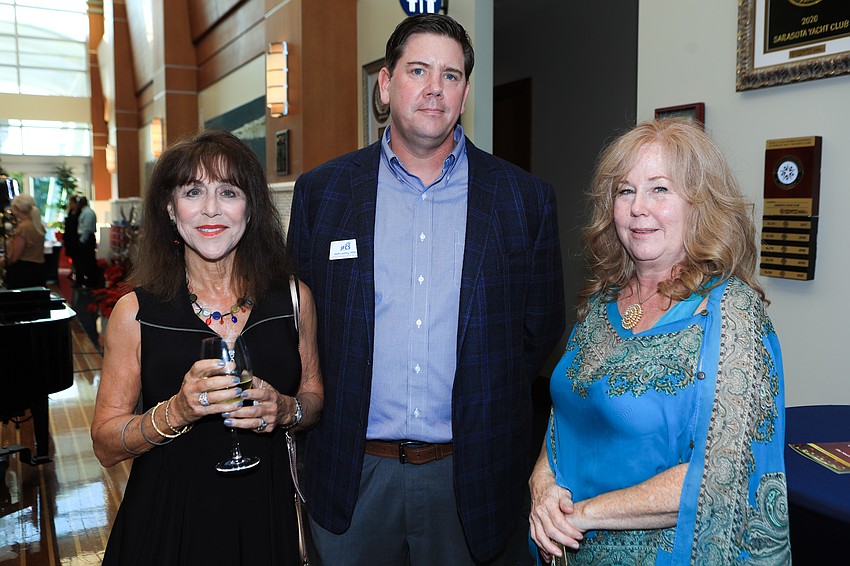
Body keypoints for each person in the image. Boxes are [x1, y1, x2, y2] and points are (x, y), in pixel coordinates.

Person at [289, 13, 566, 565]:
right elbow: (301, 322)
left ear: (465, 94)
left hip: (470, 475)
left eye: (452, 75)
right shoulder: (323, 192)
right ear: (386, 84)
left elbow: (539, 329)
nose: (435, 88)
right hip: (353, 474)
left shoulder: (523, 199)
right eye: (418, 70)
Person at [528, 119, 791, 564]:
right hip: (562, 548)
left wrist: (584, 515)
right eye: (625, 191)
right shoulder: (603, 299)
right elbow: (566, 412)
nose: (637, 208)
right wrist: (541, 485)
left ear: (700, 204)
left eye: (660, 190)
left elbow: (723, 476)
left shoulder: (730, 315)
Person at [91, 129, 323, 564]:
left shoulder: (294, 299)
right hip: (170, 521)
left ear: (250, 207)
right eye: (193, 191)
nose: (211, 209)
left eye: (228, 191)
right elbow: (106, 445)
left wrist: (287, 409)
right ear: (169, 208)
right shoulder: (134, 313)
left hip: (265, 517)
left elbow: (314, 397)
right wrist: (176, 411)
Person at [2, 193, 46, 289]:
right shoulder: (39, 225)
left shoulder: (23, 228)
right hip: (38, 271)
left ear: (17, 208)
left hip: (22, 274)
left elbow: (13, 258)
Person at [74, 195, 99, 287]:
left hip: (87, 239)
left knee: (88, 260)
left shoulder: (88, 213)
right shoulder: (86, 212)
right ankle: (90, 280)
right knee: (87, 260)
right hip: (86, 238)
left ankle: (92, 281)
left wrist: (82, 240)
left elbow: (86, 228)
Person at [63, 195, 80, 273]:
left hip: (75, 238)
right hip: (69, 237)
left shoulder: (79, 214)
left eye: (71, 203)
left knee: (76, 257)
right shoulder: (70, 213)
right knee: (72, 256)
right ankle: (73, 271)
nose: (70, 205)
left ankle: (76, 271)